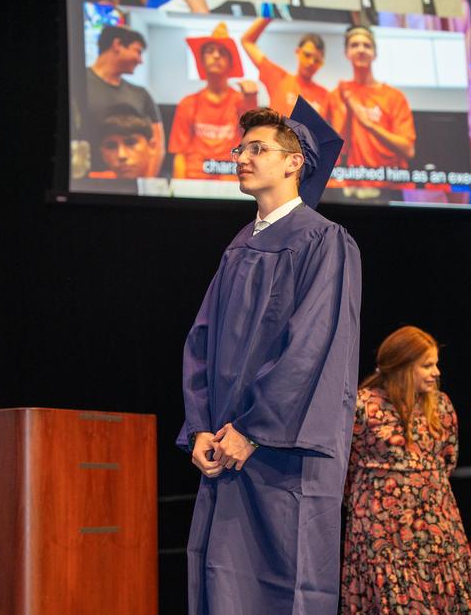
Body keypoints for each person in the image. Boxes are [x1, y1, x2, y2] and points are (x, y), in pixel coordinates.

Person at [176, 98, 362, 614]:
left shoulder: (324, 241)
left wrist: (254, 430)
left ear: (294, 162)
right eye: (241, 150)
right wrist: (201, 429)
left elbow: (312, 348)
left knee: (284, 588)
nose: (243, 158)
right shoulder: (238, 248)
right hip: (226, 450)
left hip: (283, 456)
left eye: (258, 149)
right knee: (224, 588)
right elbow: (200, 344)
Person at [341, 326, 471, 613]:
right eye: (427, 365)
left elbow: (448, 458)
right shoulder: (363, 406)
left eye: (436, 364)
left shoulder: (441, 407)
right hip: (383, 529)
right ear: (403, 367)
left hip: (435, 524)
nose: (436, 372)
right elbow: (346, 464)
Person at [169, 24, 258, 180]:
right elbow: (180, 155)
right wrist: (178, 190)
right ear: (202, 60)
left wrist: (251, 101)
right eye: (210, 51)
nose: (216, 56)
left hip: (231, 180)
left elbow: (253, 142)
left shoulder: (241, 101)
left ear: (231, 62)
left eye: (222, 52)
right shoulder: (187, 103)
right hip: (194, 180)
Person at [324, 26, 416, 174]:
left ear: (375, 54)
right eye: (354, 45)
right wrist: (350, 111)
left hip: (390, 179)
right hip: (353, 179)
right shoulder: (337, 95)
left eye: (367, 45)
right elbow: (337, 150)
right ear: (347, 53)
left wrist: (369, 125)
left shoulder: (394, 96)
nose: (361, 50)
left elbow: (408, 150)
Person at [83, 25, 165, 175]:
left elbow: (157, 145)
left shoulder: (141, 94)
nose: (140, 60)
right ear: (117, 45)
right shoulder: (78, 83)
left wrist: (146, 183)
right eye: (138, 51)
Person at [241, 17, 330, 116]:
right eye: (307, 55)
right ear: (297, 52)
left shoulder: (325, 96)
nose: (311, 63)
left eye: (317, 61)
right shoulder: (278, 78)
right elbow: (247, 41)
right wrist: (267, 15)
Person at [88, 105, 159, 179]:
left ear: (152, 147)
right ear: (102, 153)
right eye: (111, 146)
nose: (121, 155)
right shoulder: (92, 182)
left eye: (131, 143)